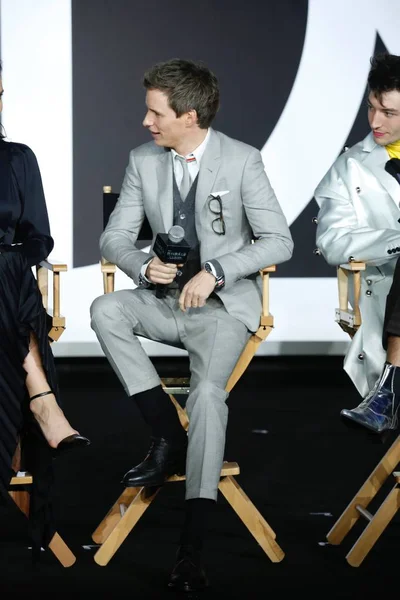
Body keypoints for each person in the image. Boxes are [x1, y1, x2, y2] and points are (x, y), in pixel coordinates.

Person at [90, 58, 293, 591]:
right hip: (163, 303)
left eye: (156, 112)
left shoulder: (243, 161)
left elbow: (280, 241)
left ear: (190, 114)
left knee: (207, 397)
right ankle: (166, 435)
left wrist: (219, 271)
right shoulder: (143, 161)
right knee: (105, 309)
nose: (145, 122)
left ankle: (191, 547)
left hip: (222, 313)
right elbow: (114, 239)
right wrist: (142, 265)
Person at [0, 64, 90, 559]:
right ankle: (42, 398)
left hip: (7, 287)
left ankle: (38, 394)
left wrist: (14, 254)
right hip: (14, 302)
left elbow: (40, 237)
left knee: (7, 268)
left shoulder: (17, 158)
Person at [315, 52, 400, 433]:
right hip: (386, 296)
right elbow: (333, 242)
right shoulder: (349, 167)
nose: (375, 121)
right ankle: (389, 388)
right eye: (371, 108)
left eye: (389, 113)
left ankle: (391, 392)